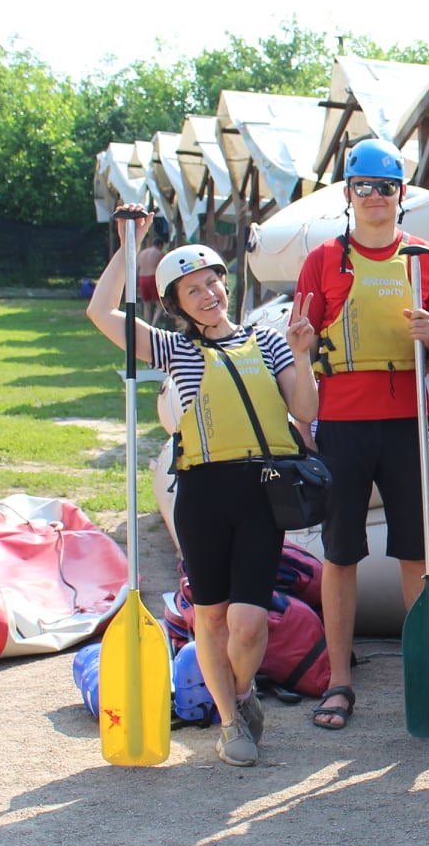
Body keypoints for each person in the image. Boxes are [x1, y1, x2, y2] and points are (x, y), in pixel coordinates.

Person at [87, 205, 319, 766]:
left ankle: (242, 691)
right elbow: (100, 312)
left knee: (249, 622)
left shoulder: (269, 341)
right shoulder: (174, 348)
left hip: (261, 492)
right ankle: (231, 720)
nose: (208, 294)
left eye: (213, 281)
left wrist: (303, 354)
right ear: (177, 305)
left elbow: (306, 411)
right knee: (211, 619)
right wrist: (129, 243)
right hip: (202, 496)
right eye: (193, 290)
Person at [291, 139, 429, 732]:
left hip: (407, 421)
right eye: (365, 186)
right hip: (342, 425)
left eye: (386, 187)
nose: (376, 196)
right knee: (340, 553)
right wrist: (304, 406)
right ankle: (339, 681)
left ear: (401, 194)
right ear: (348, 193)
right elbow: (301, 345)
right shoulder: (322, 261)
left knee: (415, 550)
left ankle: (424, 675)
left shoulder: (426, 260)